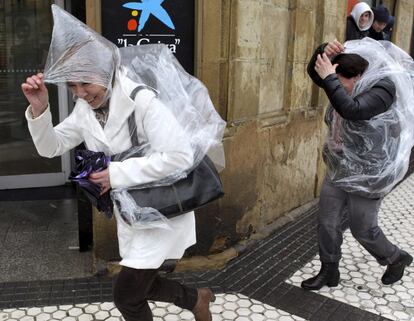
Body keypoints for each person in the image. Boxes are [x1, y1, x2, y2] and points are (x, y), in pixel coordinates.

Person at [21, 5, 225, 321]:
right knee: (141, 285)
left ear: (104, 70)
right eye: (72, 86)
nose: (80, 93)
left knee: (127, 296)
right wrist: (39, 110)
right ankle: (197, 298)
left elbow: (181, 155)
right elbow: (52, 147)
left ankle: (196, 298)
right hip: (133, 213)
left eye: (84, 83)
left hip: (161, 212)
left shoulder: (142, 101)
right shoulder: (85, 110)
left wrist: (115, 173)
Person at [301, 38, 414, 291]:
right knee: (327, 221)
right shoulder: (345, 79)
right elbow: (318, 75)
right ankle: (329, 270)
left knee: (362, 228)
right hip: (340, 166)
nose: (336, 90)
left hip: (371, 173)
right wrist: (322, 52)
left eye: (340, 84)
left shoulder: (384, 88)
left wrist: (331, 78)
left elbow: (353, 109)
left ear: (359, 76)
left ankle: (396, 258)